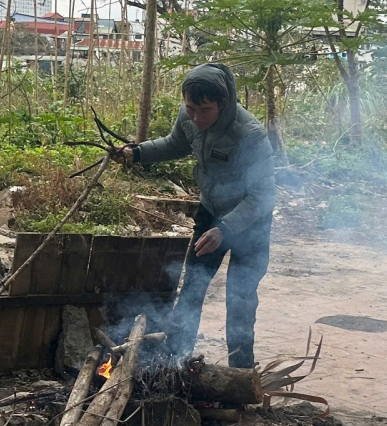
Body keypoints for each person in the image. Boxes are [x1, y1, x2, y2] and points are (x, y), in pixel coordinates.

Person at [116, 63, 275, 368]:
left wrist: (225, 230)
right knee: (191, 289)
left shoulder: (250, 135)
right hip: (210, 213)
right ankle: (175, 362)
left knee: (239, 300)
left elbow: (263, 196)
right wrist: (136, 153)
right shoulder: (188, 117)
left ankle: (240, 373)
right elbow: (175, 144)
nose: (196, 118)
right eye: (190, 109)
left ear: (223, 104)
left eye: (205, 110)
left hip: (250, 225)